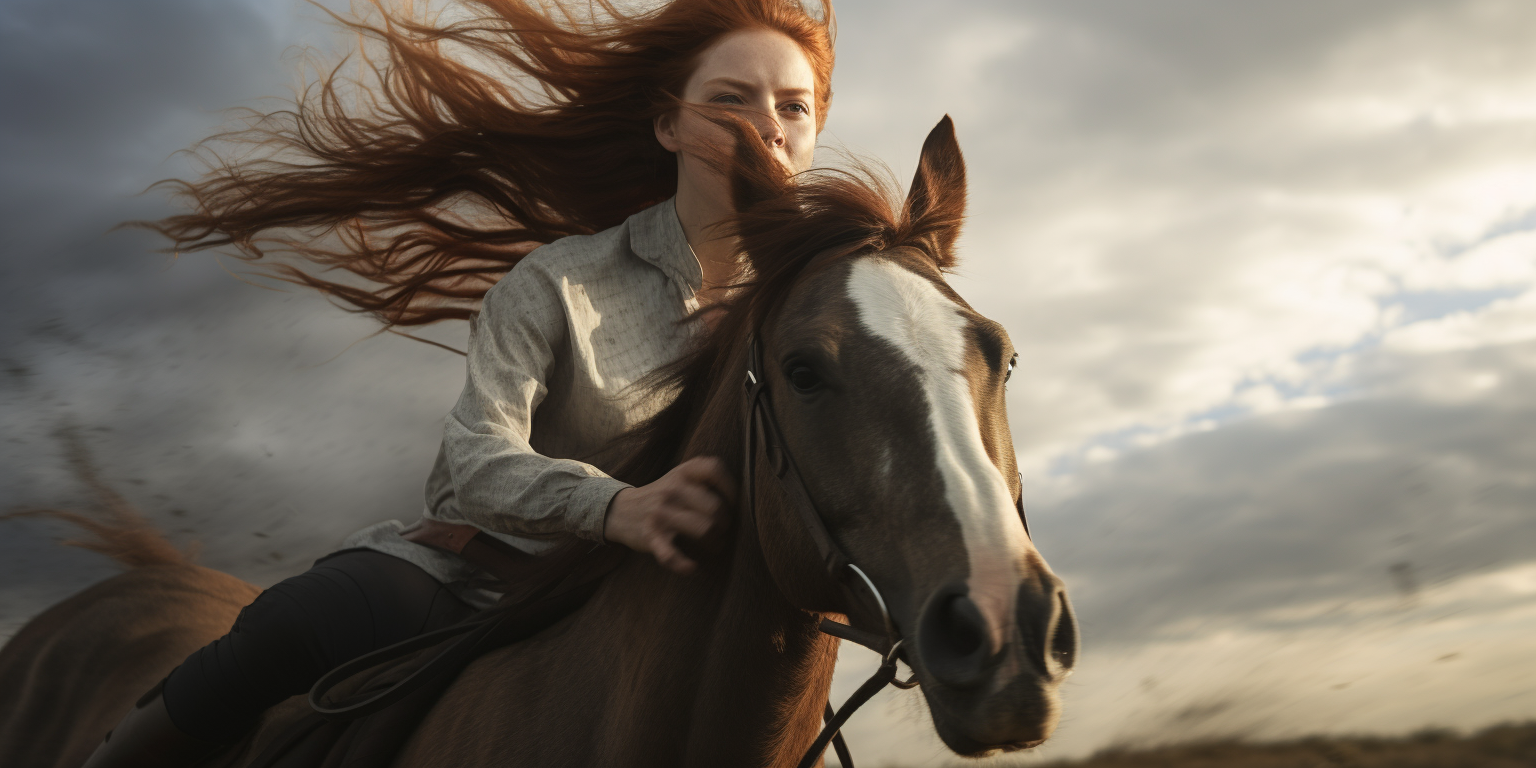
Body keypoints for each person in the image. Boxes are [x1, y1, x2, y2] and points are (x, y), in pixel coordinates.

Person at [83, 0, 834, 765]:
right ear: (667, 127)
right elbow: (475, 460)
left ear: (812, 134)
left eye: (793, 106)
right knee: (290, 627)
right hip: (480, 583)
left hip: (686, 624)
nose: (765, 125)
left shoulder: (824, 317)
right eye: (728, 98)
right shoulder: (559, 280)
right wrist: (617, 507)